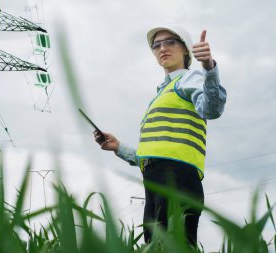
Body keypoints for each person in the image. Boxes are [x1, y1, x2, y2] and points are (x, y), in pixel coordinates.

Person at [93, 25, 226, 246]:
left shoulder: (188, 80)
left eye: (170, 42)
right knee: (156, 246)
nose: (162, 48)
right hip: (155, 179)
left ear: (186, 50)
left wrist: (209, 68)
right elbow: (155, 155)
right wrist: (118, 147)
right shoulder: (163, 93)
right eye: (156, 45)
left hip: (177, 177)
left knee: (176, 244)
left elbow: (212, 109)